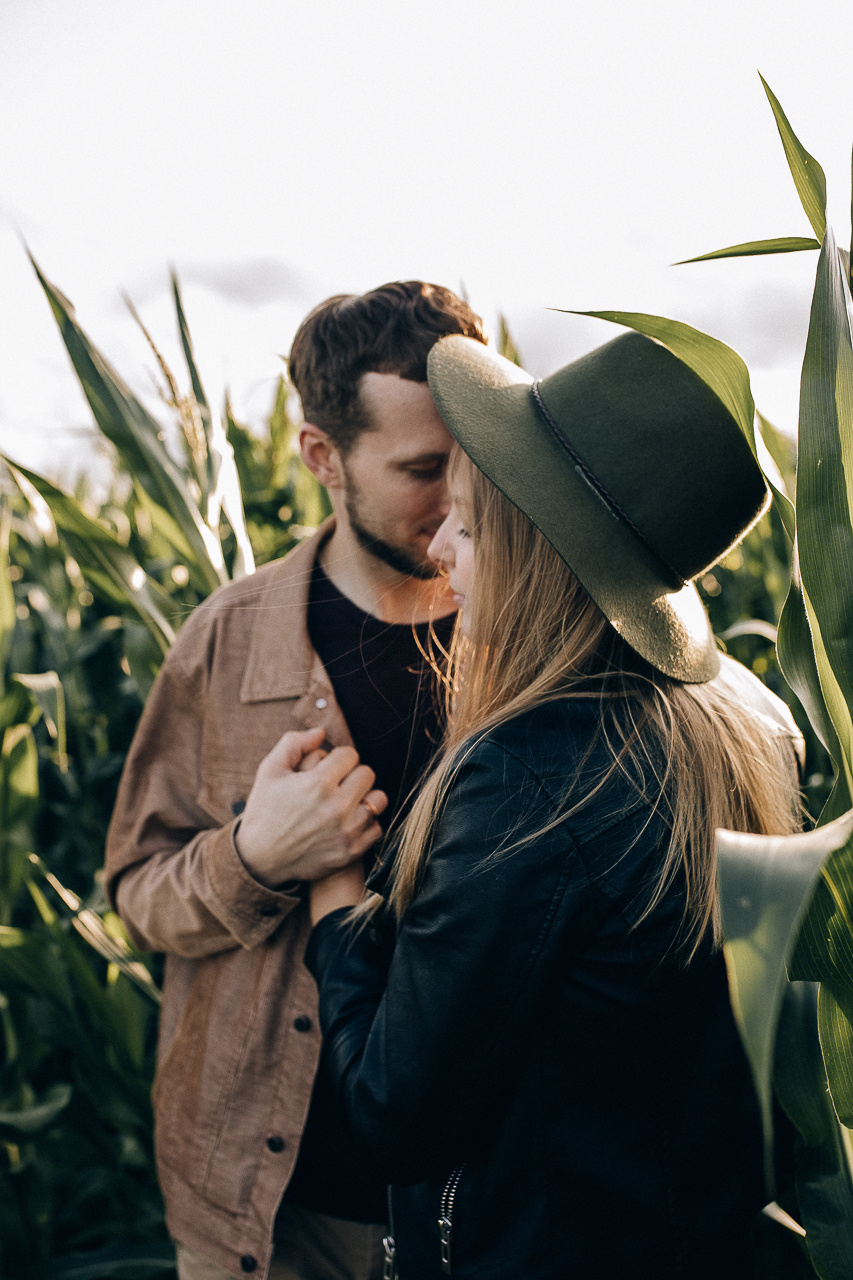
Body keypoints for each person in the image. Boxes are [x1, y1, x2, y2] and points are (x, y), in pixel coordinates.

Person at [302, 331, 804, 1280]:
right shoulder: (746, 722)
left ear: (535, 551)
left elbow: (394, 1115)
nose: (442, 550)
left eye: (469, 524)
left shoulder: (527, 778)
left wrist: (333, 898)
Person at [104, 282, 487, 1280]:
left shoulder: (531, 637)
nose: (457, 505)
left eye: (475, 462)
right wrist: (252, 857)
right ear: (322, 456)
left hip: (478, 1201)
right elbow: (137, 895)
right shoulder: (226, 643)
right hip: (271, 1213)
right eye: (422, 470)